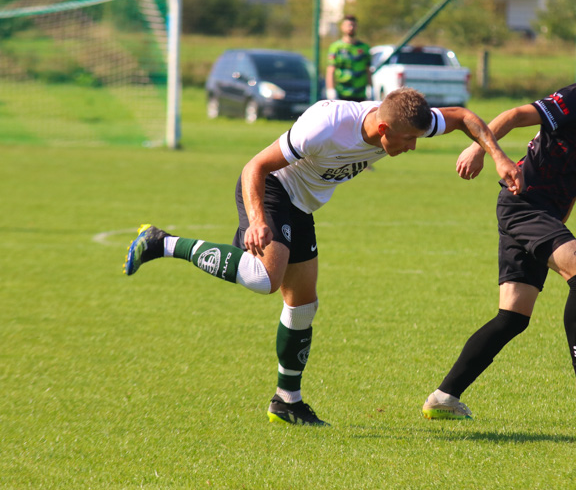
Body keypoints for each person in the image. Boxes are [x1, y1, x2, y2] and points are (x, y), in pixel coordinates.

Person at [123, 87, 522, 427]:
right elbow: (255, 167)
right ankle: (162, 242)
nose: (412, 146)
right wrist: (259, 220)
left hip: (302, 207)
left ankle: (287, 401)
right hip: (273, 191)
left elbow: (464, 117)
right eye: (406, 140)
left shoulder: (404, 118)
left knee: (302, 305)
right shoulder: (326, 126)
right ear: (383, 129)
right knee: (267, 279)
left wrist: (497, 156)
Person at [421, 29, 576, 420]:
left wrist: (562, 219)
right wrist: (480, 151)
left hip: (542, 213)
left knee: (512, 317)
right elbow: (514, 115)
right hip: (523, 205)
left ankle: (443, 397)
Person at [326, 15, 372, 101]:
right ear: (342, 27)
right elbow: (330, 70)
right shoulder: (336, 47)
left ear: (356, 27)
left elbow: (368, 70)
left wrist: (370, 87)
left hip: (360, 94)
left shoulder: (364, 48)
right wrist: (330, 89)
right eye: (348, 25)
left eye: (353, 25)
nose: (351, 28)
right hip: (341, 93)